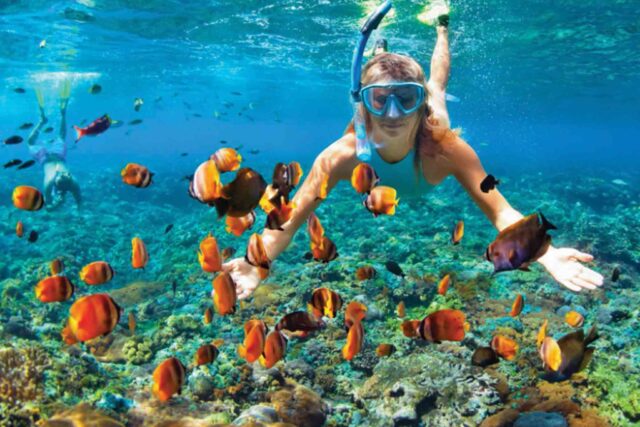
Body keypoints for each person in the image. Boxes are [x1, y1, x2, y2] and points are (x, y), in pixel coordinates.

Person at [222, 7, 604, 299]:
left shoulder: (448, 149)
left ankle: (441, 25)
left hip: (433, 116)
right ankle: (380, 50)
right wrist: (258, 262)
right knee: (395, 74)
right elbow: (288, 219)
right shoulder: (341, 156)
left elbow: (501, 210)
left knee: (437, 82)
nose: (392, 114)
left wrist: (544, 251)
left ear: (420, 106)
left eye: (406, 99)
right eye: (379, 100)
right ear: (364, 104)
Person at [28, 81, 82, 209]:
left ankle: (53, 117)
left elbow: (78, 200)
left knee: (60, 137)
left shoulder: (65, 182)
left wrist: (54, 204)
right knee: (32, 142)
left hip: (55, 155)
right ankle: (48, 119)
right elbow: (50, 205)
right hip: (46, 157)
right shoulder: (59, 182)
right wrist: (54, 205)